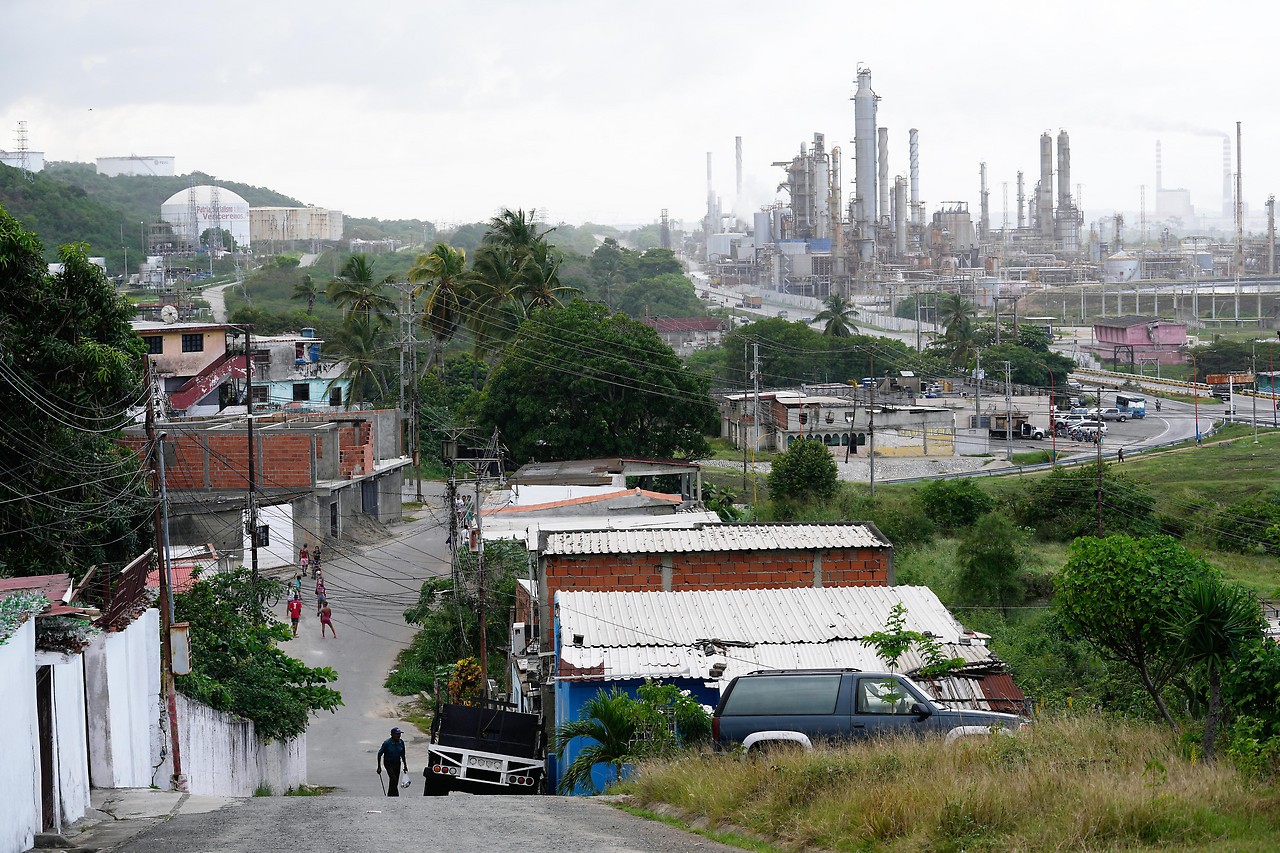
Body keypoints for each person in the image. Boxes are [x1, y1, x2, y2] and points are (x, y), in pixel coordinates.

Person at [377, 727, 408, 796]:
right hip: (388, 763)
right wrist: (379, 766)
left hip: (397, 763)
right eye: (397, 734)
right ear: (392, 735)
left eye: (399, 734)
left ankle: (390, 795)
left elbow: (403, 754)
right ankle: (396, 795)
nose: (398, 736)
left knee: (395, 780)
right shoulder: (387, 743)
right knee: (393, 778)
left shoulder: (401, 742)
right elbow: (379, 754)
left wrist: (405, 765)